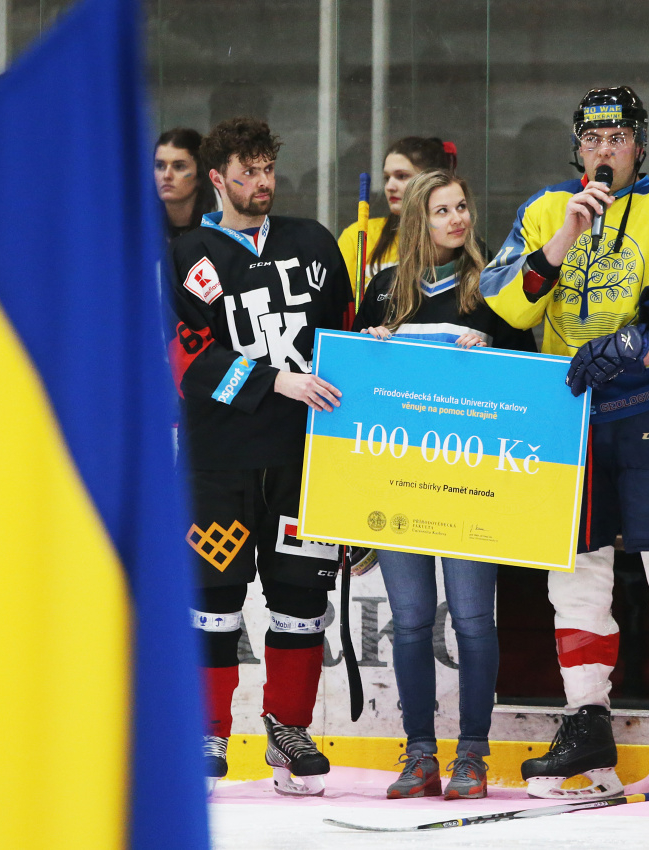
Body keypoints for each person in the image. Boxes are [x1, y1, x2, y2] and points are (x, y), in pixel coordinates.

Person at [478, 86, 649, 800]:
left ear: (640, 145)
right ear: (577, 147)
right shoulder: (545, 210)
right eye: (593, 139)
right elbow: (503, 303)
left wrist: (646, 346)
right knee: (574, 576)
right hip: (570, 417)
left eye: (618, 137)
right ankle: (586, 726)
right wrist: (563, 239)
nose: (605, 150)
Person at [166, 117, 352, 796]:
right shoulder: (190, 254)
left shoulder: (313, 243)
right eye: (247, 172)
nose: (262, 182)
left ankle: (289, 730)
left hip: (303, 460)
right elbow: (185, 356)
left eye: (268, 168)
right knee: (211, 599)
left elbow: (347, 338)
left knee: (301, 599)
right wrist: (277, 381)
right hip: (219, 461)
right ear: (218, 179)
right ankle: (207, 732)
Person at [353, 170, 534, 801]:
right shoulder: (383, 291)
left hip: (471, 484)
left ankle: (473, 756)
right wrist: (369, 349)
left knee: (473, 621)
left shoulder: (494, 288)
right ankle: (420, 754)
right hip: (399, 482)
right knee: (409, 623)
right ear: (416, 221)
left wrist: (496, 350)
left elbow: (529, 382)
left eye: (462, 207)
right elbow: (353, 388)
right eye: (442, 210)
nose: (458, 219)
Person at [336, 136, 457, 296]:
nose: (389, 187)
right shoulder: (359, 235)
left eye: (401, 176)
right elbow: (341, 303)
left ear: (433, 181)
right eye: (387, 178)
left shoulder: (456, 235)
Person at [155, 127, 216, 242]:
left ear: (200, 173)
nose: (166, 175)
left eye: (179, 166)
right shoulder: (140, 225)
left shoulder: (223, 226)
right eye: (160, 166)